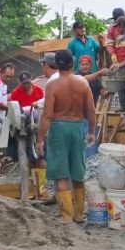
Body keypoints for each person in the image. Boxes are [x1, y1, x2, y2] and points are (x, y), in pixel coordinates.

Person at [35, 50, 96, 222]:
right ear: (73, 63)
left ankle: (66, 216)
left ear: (57, 63)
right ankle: (78, 215)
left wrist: (40, 138)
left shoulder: (52, 85)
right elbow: (91, 110)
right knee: (78, 172)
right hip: (77, 127)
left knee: (61, 174)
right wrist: (91, 131)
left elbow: (46, 115)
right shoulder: (82, 83)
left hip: (58, 128)